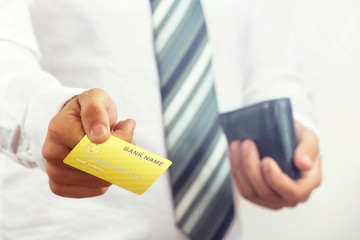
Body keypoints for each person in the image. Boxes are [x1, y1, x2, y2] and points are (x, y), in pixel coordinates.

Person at [0, 0, 321, 239]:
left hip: (224, 221)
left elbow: (273, 73)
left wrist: (293, 136)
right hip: (65, 225)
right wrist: (45, 120)